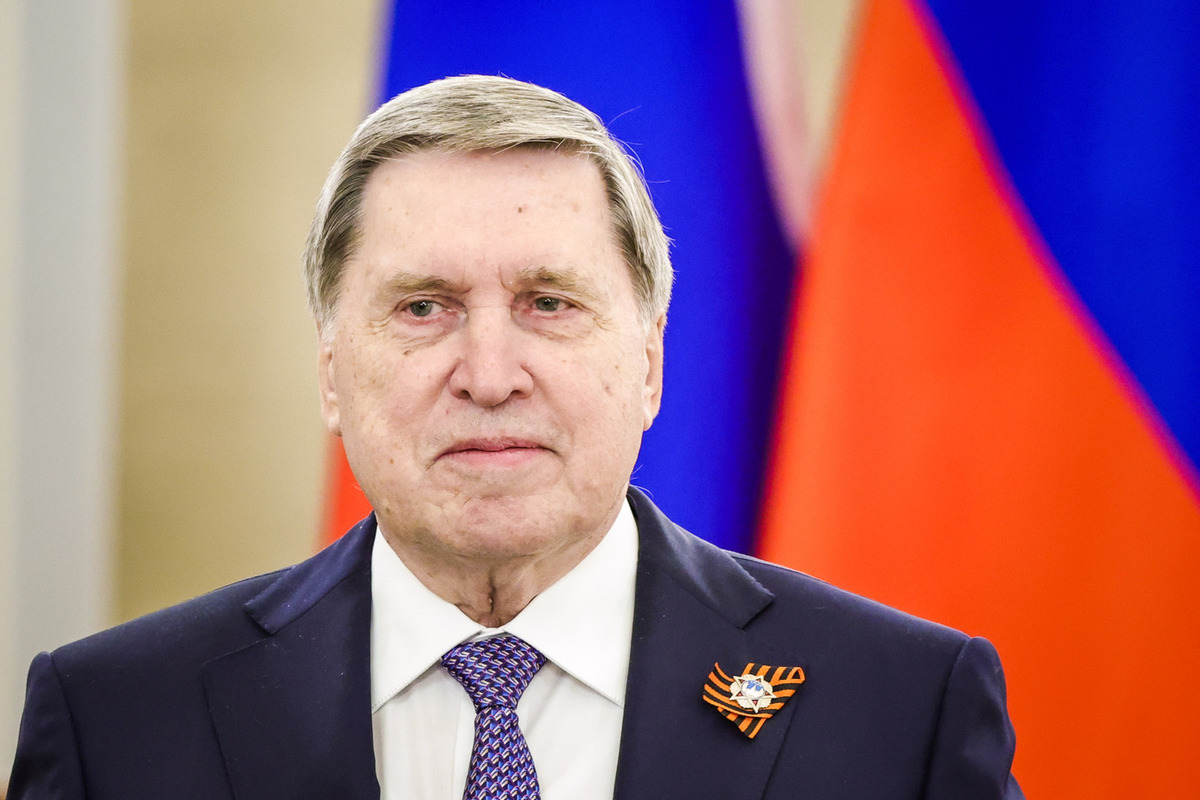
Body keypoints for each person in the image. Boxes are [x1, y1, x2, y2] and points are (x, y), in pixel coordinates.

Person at [7, 75, 1022, 799]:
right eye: (422, 307)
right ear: (330, 369)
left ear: (650, 364)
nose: (489, 375)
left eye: (548, 302)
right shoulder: (115, 722)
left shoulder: (901, 709)